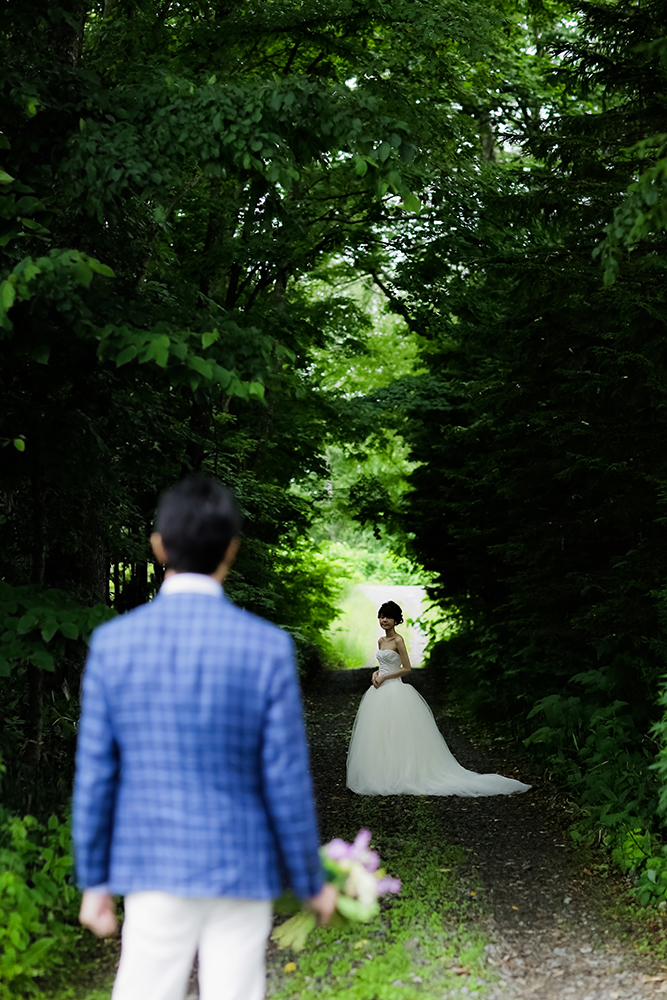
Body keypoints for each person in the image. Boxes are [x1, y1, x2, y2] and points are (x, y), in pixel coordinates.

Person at [73, 476, 336, 1000]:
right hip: (241, 864)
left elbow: (97, 773)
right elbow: (285, 778)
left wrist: (94, 879)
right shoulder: (267, 648)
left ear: (158, 545)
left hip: (151, 861)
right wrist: (311, 880)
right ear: (232, 550)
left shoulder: (113, 644)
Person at [346, 600, 531, 797]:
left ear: (395, 620)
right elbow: (383, 664)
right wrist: (376, 674)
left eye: (388, 617)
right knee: (380, 734)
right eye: (382, 616)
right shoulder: (381, 641)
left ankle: (403, 773)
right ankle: (382, 773)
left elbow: (406, 668)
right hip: (379, 691)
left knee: (399, 733)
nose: (384, 620)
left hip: (395, 690)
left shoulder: (398, 640)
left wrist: (384, 676)